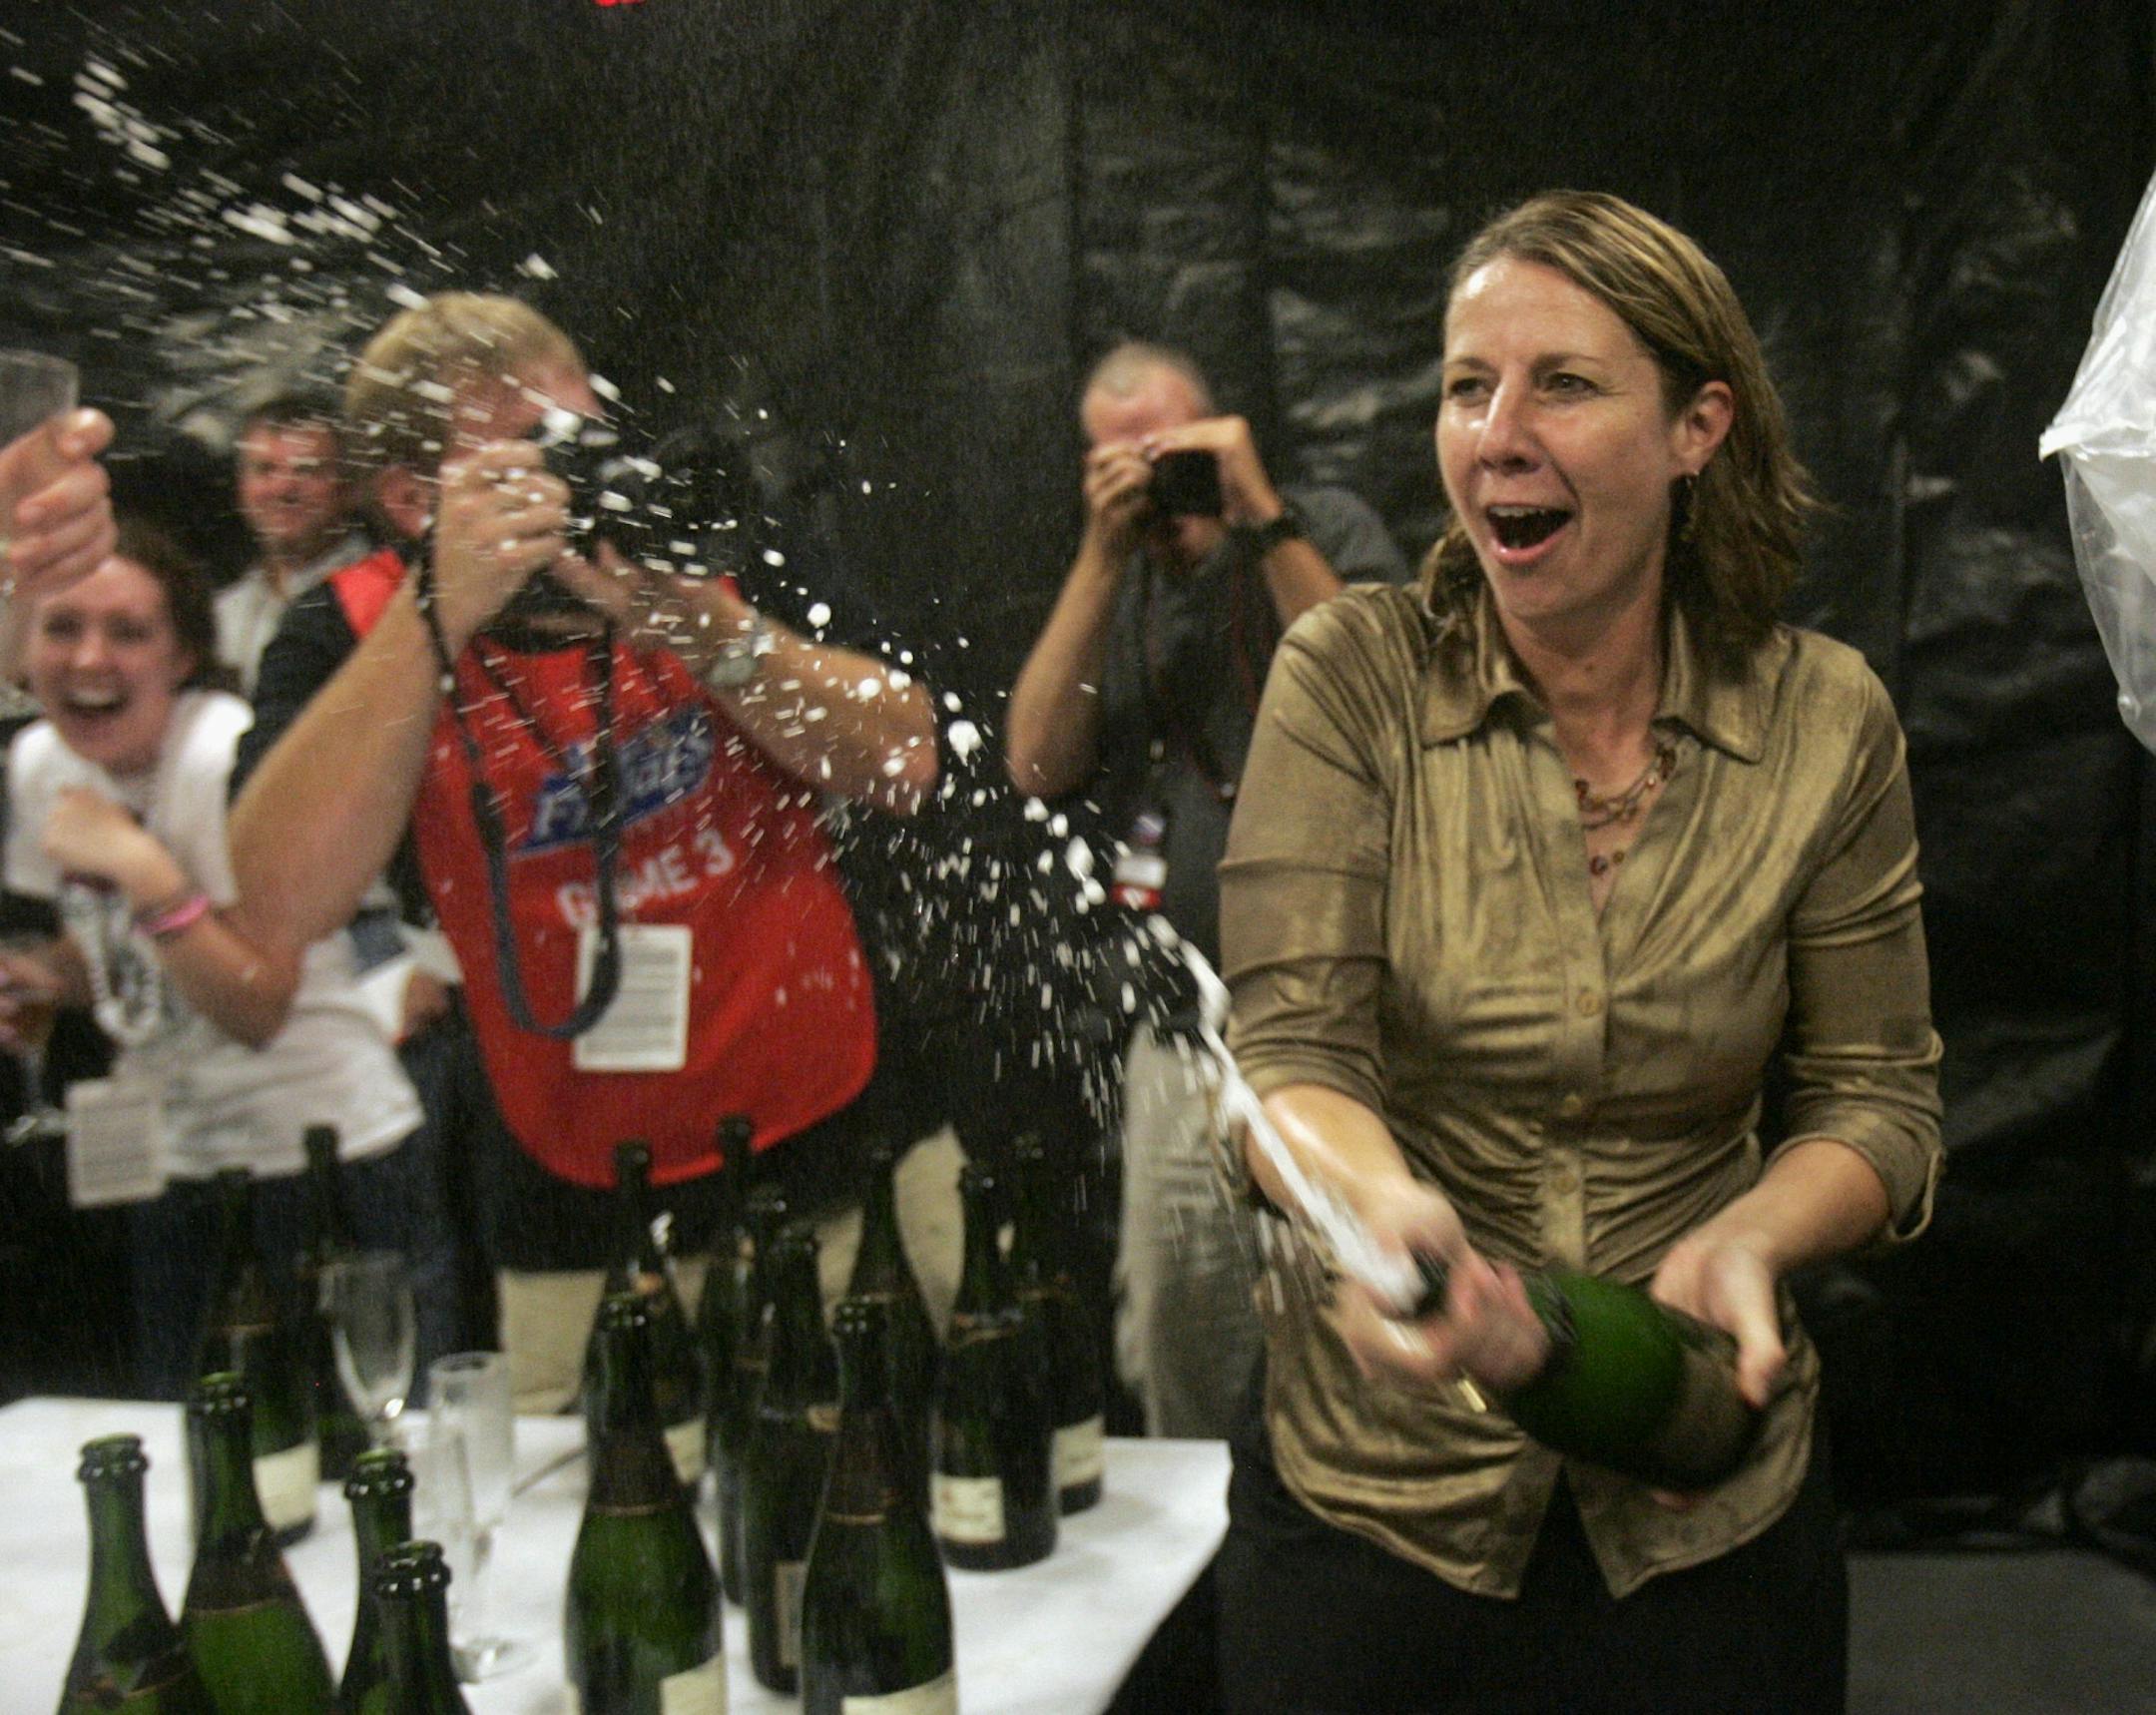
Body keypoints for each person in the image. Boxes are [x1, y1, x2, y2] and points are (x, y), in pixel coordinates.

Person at [1215, 192, 1944, 1714]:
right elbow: (1290, 1058)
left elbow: (1882, 1102)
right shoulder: (1349, 680)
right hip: (1379, 1518)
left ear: (1698, 426)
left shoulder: (1826, 720)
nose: (1497, 432)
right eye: (1467, 385)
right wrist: (1387, 1204)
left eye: (1564, 381)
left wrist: (1748, 1239)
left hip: (1701, 1510)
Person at [227, 293, 950, 1410]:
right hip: (574, 1196)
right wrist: (439, 612)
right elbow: (279, 899)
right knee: (618, 1530)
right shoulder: (351, 627)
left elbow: (905, 762)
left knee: (894, 1492)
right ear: (414, 499)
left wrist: (702, 626)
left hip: (840, 1138)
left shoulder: (697, 551)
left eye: (583, 439)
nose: (575, 480)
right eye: (528, 456)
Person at [1005, 340, 1408, 1437]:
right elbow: (1035, 762)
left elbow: (1394, 706)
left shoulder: (1317, 525)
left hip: (1356, 1017)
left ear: (1225, 430)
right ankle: (1210, 1578)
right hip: (1184, 1030)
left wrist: (1258, 512)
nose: (1154, 476)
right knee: (1182, 1325)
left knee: (1359, 1314)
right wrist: (1100, 554)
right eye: (1120, 458)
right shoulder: (1116, 580)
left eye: (1171, 450)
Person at [0, 520, 422, 1398]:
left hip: (325, 1162)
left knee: (364, 1460)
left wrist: (141, 869)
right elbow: (117, 961)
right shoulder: (44, 760)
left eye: (129, 632)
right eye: (62, 627)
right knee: (207, 1461)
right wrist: (40, 979)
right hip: (180, 1165)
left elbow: (255, 1004)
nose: (89, 660)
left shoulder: (220, 753)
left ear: (185, 654)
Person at [218, 391, 368, 694]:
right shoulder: (222, 612)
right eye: (265, 470)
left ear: (349, 489)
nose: (284, 488)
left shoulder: (386, 597)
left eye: (307, 470)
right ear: (241, 486)